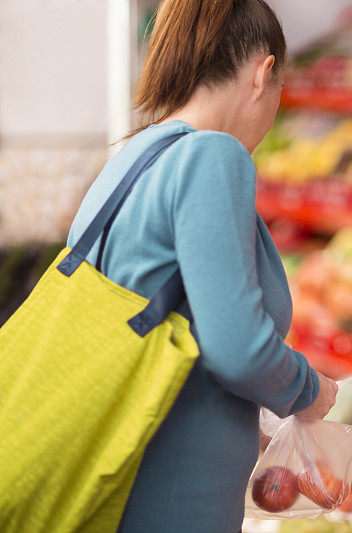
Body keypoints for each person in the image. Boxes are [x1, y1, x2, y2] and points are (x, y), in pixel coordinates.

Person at [65, 0, 338, 530]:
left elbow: (167, 327)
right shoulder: (213, 155)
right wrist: (309, 391)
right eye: (281, 89)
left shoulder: (136, 154)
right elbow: (237, 350)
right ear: (263, 75)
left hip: (119, 470)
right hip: (171, 498)